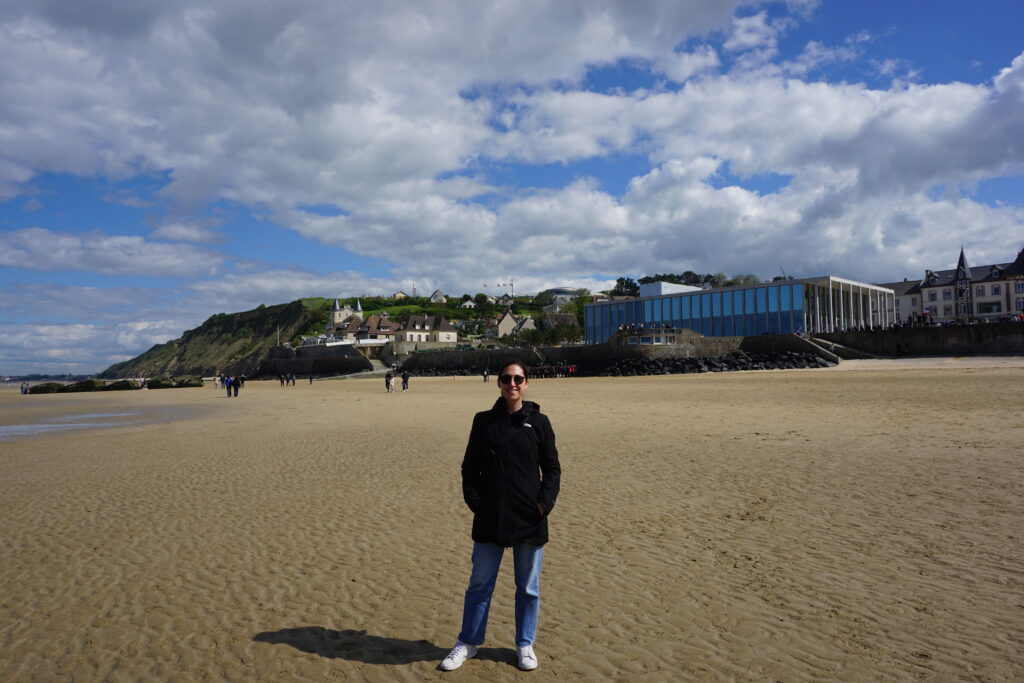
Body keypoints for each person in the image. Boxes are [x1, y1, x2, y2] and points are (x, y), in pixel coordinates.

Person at [439, 362, 561, 672]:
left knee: (528, 588)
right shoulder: (483, 421)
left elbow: (552, 469)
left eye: (518, 379)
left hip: (529, 518)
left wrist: (543, 505)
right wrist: (476, 502)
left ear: (527, 383)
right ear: (498, 383)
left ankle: (524, 644)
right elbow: (469, 467)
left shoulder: (540, 422)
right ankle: (467, 642)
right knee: (479, 585)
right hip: (490, 516)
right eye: (507, 379)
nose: (512, 384)